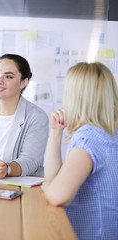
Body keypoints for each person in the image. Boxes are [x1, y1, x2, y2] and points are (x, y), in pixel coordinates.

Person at [42, 62, 118, 239]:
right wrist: (55, 133)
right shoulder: (108, 134)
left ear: (75, 97)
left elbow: (57, 195)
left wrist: (48, 188)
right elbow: (53, 178)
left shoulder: (89, 140)